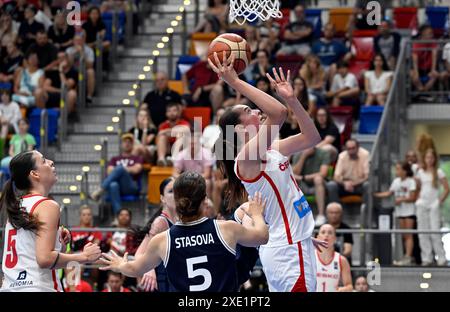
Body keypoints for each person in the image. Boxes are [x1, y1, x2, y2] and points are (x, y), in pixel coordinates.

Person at [210, 52, 326, 292]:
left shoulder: (272, 149)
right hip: (288, 251)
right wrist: (235, 82)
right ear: (240, 130)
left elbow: (312, 137)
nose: (256, 111)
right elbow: (278, 113)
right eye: (249, 111)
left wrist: (293, 100)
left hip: (291, 244)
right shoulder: (246, 159)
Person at [100, 172, 269, 292]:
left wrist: (119, 265)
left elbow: (135, 269)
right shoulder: (225, 228)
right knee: (244, 213)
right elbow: (262, 236)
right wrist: (256, 214)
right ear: (204, 201)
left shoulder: (162, 240)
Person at [0, 151, 101, 292]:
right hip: (37, 286)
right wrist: (84, 257)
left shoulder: (16, 205)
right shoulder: (47, 205)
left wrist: (57, 237)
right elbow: (45, 259)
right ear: (34, 174)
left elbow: (27, 248)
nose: (51, 162)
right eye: (43, 161)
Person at [133, 177, 177, 292]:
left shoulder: (178, 221)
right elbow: (140, 253)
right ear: (162, 198)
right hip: (161, 281)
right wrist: (149, 269)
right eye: (171, 191)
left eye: (178, 190)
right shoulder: (160, 222)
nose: (176, 195)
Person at [374, 161, 418, 266]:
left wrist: (402, 199)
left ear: (405, 171)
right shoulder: (396, 181)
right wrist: (375, 195)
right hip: (400, 212)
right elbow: (389, 193)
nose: (396, 171)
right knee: (404, 235)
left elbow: (413, 197)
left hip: (409, 211)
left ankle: (408, 256)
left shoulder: (411, 182)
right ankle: (406, 255)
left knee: (408, 234)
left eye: (398, 169)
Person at [90, 134, 143, 214]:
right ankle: (118, 217)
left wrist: (122, 169)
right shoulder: (115, 159)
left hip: (130, 186)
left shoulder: (137, 158)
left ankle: (100, 190)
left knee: (120, 168)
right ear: (121, 145)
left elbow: (137, 169)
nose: (127, 143)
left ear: (132, 145)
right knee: (113, 185)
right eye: (125, 142)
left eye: (129, 142)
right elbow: (109, 171)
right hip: (117, 186)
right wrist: (127, 169)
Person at [415, 148, 449, 266]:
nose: (429, 160)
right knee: (422, 232)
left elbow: (446, 189)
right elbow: (418, 188)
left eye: (431, 158)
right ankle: (427, 257)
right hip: (423, 202)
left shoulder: (438, 172)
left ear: (434, 159)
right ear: (425, 159)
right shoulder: (420, 172)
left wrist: (439, 201)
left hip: (434, 203)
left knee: (435, 231)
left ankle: (441, 257)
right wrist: (418, 199)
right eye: (427, 157)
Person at [292, 147, 330, 226]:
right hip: (303, 184)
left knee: (318, 179)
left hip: (319, 184)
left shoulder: (323, 153)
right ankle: (299, 215)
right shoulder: (297, 154)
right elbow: (294, 173)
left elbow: (323, 173)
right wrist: (303, 156)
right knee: (292, 181)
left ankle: (321, 215)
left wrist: (304, 177)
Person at [326, 139, 369, 204]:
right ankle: (335, 208)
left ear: (358, 148)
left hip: (359, 184)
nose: (351, 151)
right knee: (331, 185)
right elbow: (336, 177)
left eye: (353, 148)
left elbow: (367, 176)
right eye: (349, 149)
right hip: (344, 185)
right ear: (346, 148)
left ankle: (366, 210)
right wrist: (344, 183)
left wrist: (353, 184)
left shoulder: (365, 154)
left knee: (367, 185)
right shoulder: (342, 156)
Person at [173, 133, 215, 197]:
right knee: (174, 182)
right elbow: (175, 173)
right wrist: (185, 179)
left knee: (207, 182)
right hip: (187, 179)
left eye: (194, 144)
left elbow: (207, 174)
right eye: (190, 144)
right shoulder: (181, 155)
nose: (192, 146)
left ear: (199, 144)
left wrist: (193, 179)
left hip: (202, 178)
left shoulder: (206, 153)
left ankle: (207, 203)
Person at [39, 52, 78, 119]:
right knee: (39, 92)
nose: (61, 60)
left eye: (63, 57)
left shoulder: (73, 72)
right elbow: (45, 87)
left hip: (66, 97)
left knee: (72, 94)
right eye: (59, 58)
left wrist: (61, 71)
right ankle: (41, 116)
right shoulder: (53, 72)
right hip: (53, 96)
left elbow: (66, 86)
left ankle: (64, 118)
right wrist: (60, 91)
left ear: (67, 59)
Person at [315, 224, 353, 292]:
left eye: (330, 233)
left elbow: (349, 286)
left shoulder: (341, 260)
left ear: (335, 238)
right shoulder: (310, 257)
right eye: (323, 232)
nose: (326, 235)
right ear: (317, 237)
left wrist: (343, 289)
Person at [410, 24, 439, 97]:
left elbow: (434, 56)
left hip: (429, 68)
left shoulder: (433, 42)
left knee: (435, 74)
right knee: (412, 74)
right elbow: (414, 60)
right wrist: (416, 73)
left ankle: (425, 92)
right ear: (423, 33)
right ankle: (421, 91)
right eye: (429, 33)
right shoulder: (416, 44)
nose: (431, 35)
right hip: (419, 69)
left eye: (432, 33)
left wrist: (433, 70)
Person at [66, 32, 95, 103]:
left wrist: (82, 53)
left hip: (84, 71)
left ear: (83, 41)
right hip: (72, 71)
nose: (78, 42)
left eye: (80, 40)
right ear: (73, 41)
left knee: (91, 72)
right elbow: (68, 66)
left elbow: (90, 66)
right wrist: (73, 54)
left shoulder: (89, 50)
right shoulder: (69, 50)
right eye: (76, 40)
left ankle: (89, 96)